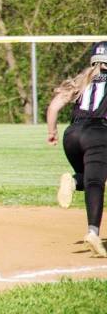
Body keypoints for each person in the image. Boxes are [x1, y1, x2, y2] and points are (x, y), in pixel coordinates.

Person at [47, 41, 107, 258]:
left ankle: (73, 180)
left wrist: (51, 132)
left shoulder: (83, 80)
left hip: (71, 135)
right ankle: (93, 232)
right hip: (99, 134)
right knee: (95, 182)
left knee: (89, 177)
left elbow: (54, 106)